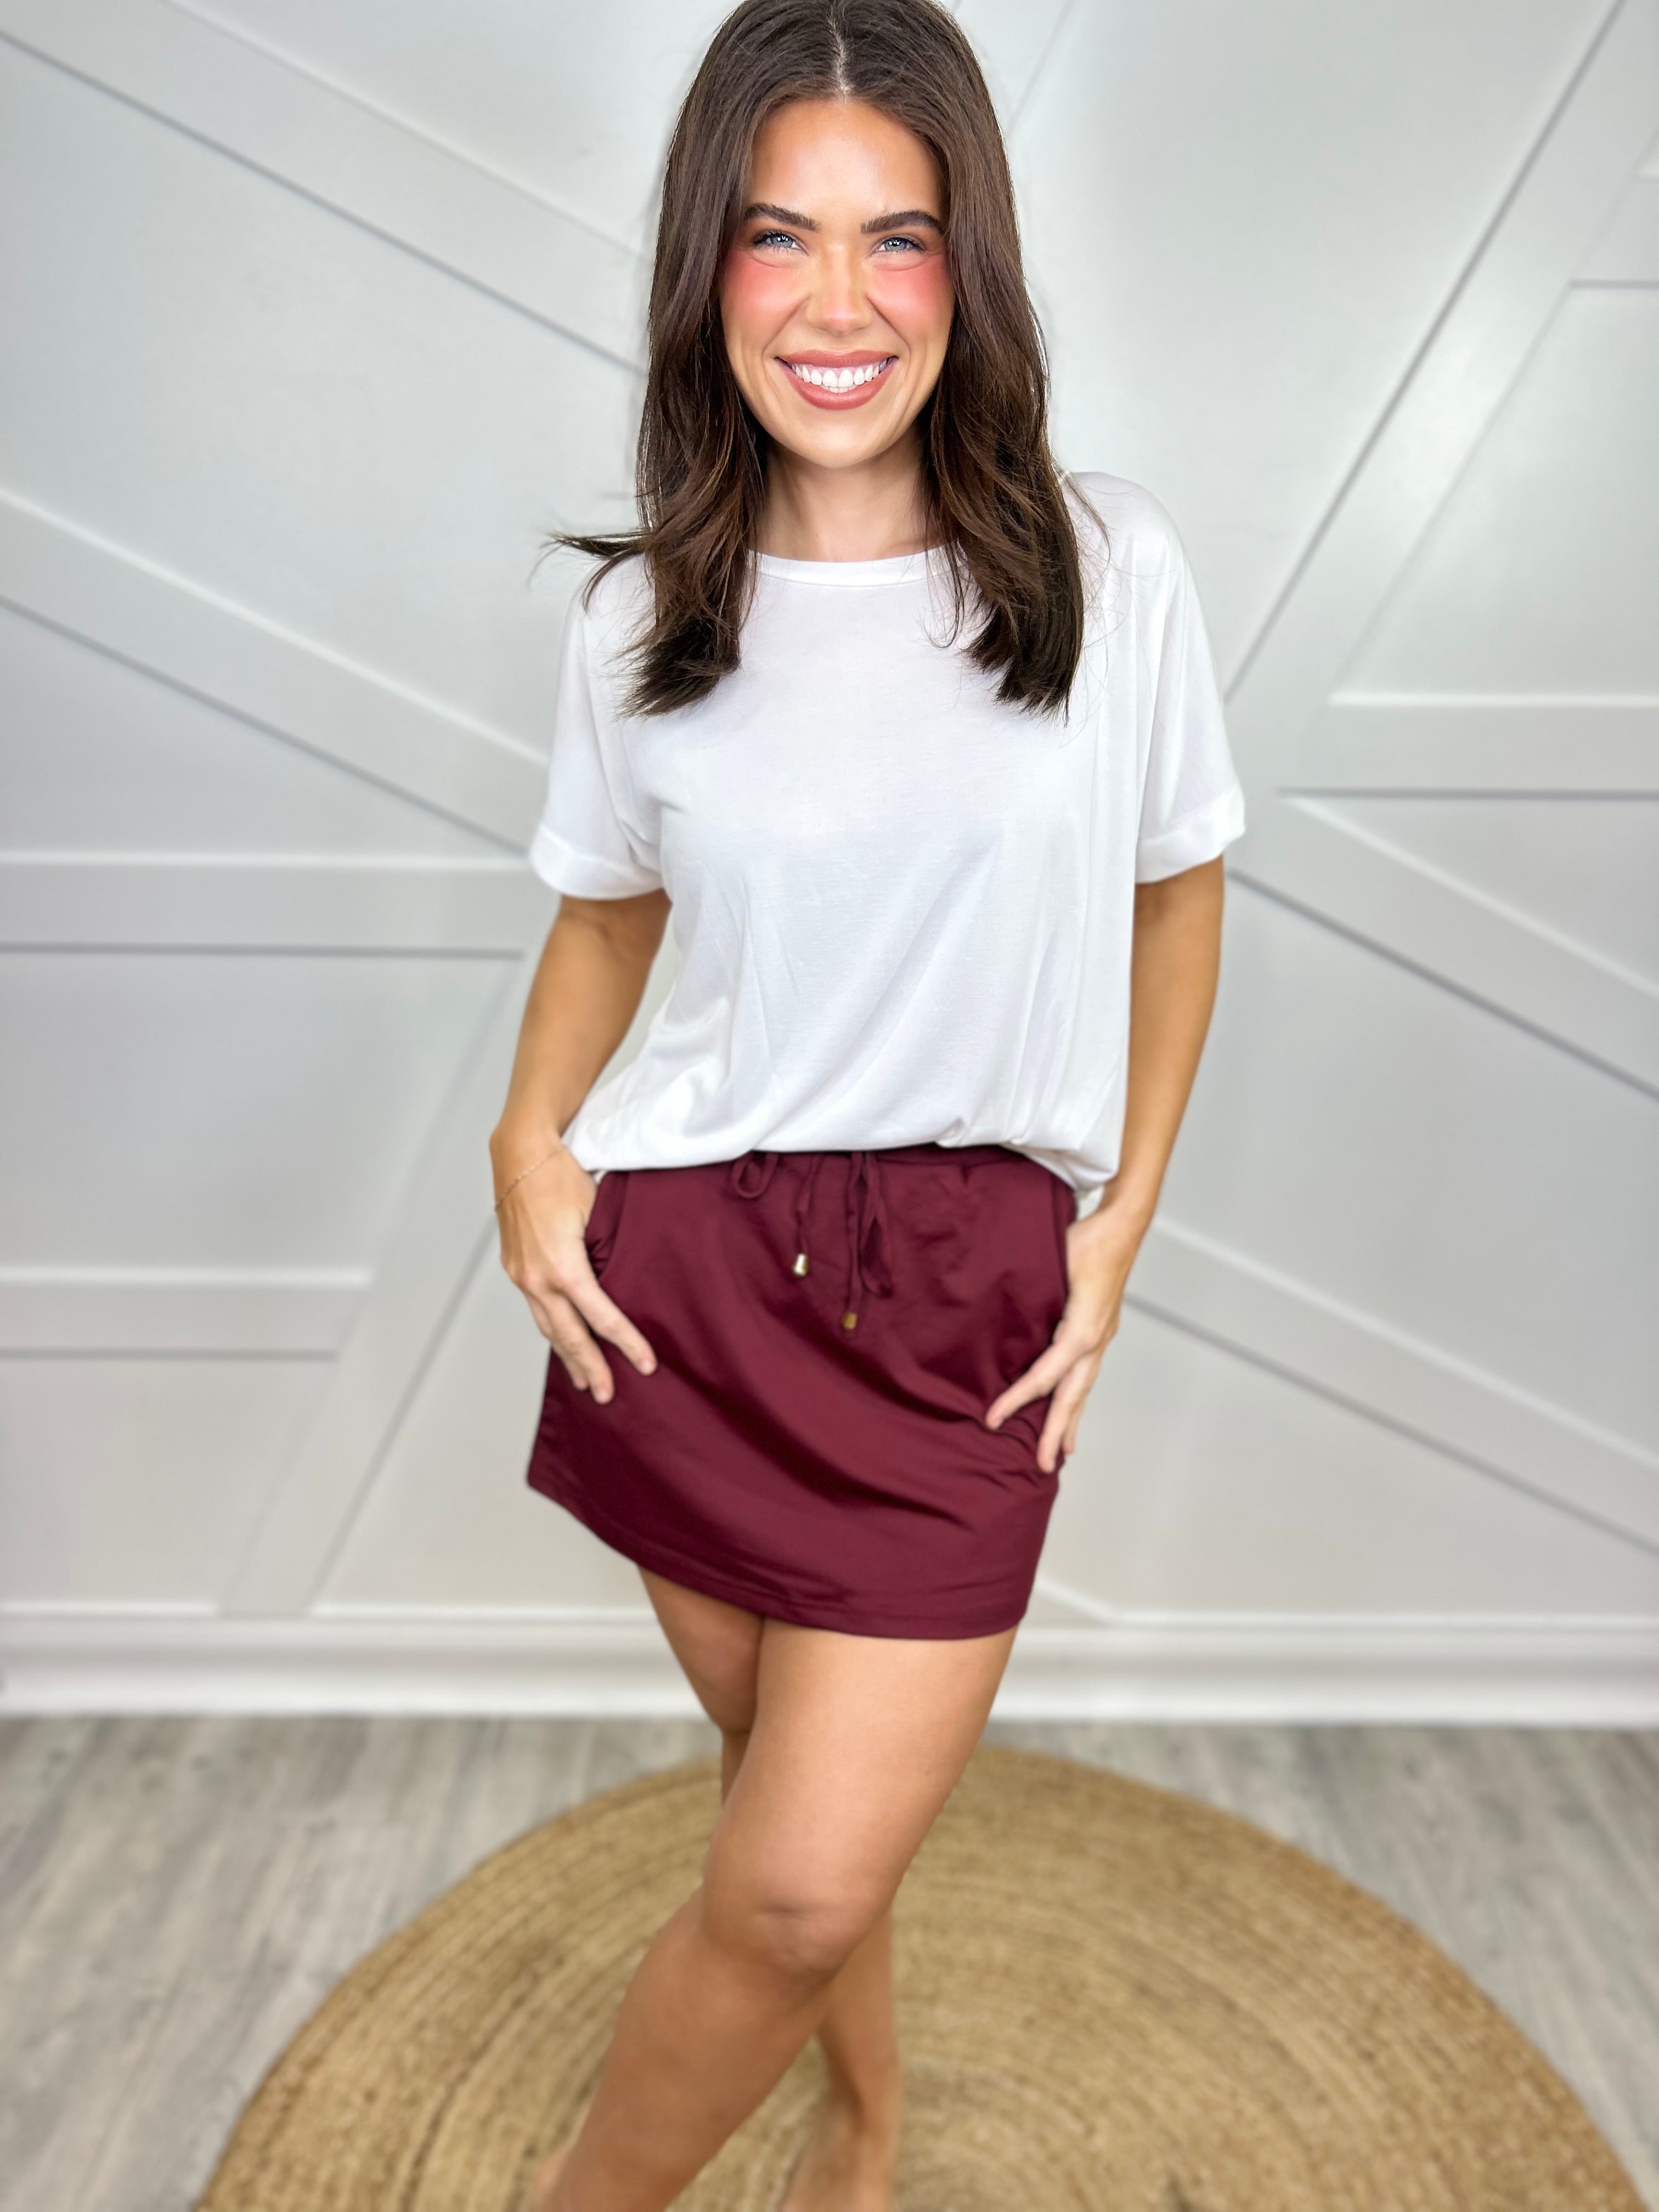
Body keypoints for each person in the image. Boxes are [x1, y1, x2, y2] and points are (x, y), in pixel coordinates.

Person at [489, 1, 1245, 2204]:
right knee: (782, 1826)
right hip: (686, 1283)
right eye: (777, 236)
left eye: (895, 239)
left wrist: (1122, 1221)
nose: (837, 305)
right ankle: (867, 2113)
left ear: (965, 267)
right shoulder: (642, 617)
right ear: (705, 271)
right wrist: (525, 1144)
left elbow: (1180, 894)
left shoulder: (1109, 571)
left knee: (804, 1880)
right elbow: (607, 922)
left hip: (965, 1299)